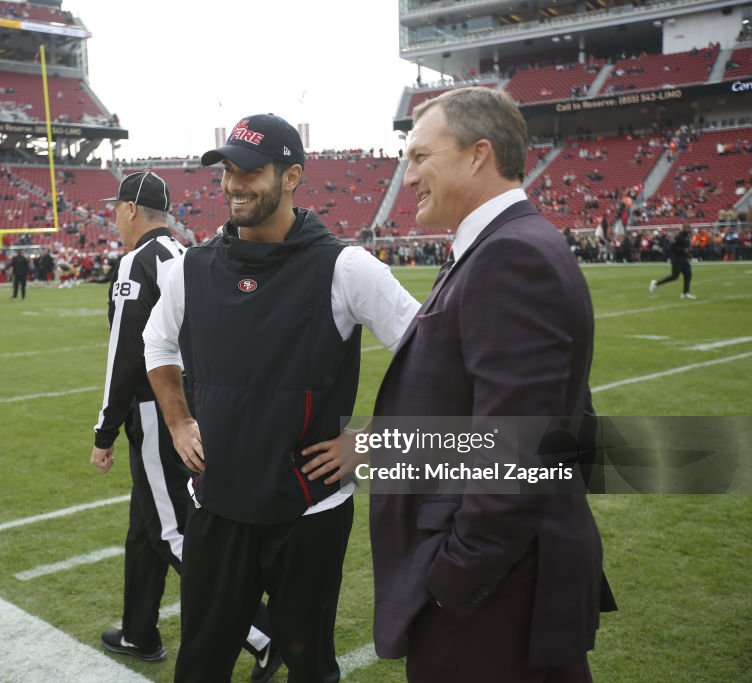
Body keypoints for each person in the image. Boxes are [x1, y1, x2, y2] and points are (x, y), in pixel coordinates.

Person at [143, 113, 420, 682]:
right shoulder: (190, 270)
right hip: (216, 505)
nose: (233, 183)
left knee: (309, 664)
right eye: (226, 169)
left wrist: (372, 440)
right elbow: (156, 345)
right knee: (200, 665)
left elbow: (432, 354)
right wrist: (176, 421)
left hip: (309, 511)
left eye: (250, 170)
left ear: (292, 175)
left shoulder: (345, 267)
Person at [370, 87, 614, 682]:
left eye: (422, 156)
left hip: (495, 593)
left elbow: (519, 446)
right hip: (504, 578)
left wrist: (455, 576)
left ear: (478, 154)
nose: (409, 177)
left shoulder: (510, 255)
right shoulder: (503, 245)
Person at [91, 171, 279, 681]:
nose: (113, 217)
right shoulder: (190, 253)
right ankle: (139, 629)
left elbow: (126, 355)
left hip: (158, 409)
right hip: (201, 402)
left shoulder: (139, 261)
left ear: (131, 210)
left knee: (172, 530)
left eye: (117, 208)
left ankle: (263, 630)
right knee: (145, 527)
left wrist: (104, 432)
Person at [649, 226, 695, 298]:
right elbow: (672, 247)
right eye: (688, 229)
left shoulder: (687, 237)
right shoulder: (679, 237)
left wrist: (689, 254)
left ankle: (685, 293)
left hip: (684, 259)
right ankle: (656, 283)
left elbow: (687, 248)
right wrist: (683, 250)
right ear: (684, 229)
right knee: (674, 276)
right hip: (677, 259)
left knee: (688, 274)